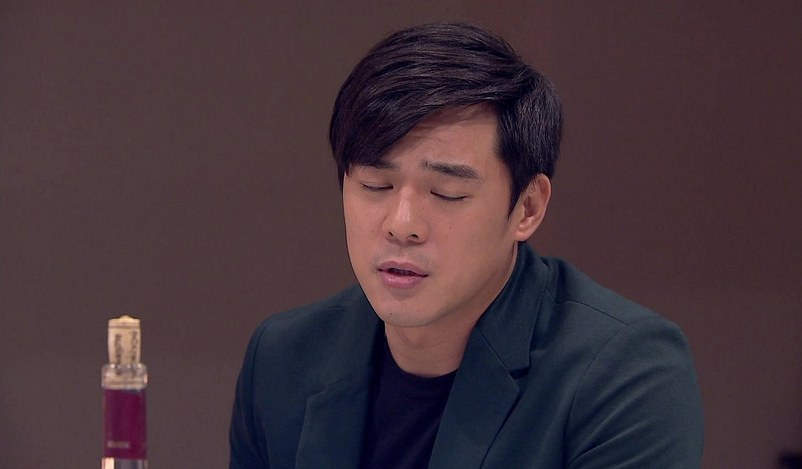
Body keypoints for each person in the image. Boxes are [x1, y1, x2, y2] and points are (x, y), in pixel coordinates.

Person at [229, 21, 703, 469]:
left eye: (447, 192)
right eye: (375, 185)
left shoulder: (624, 373)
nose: (402, 225)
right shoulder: (283, 358)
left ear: (527, 208)